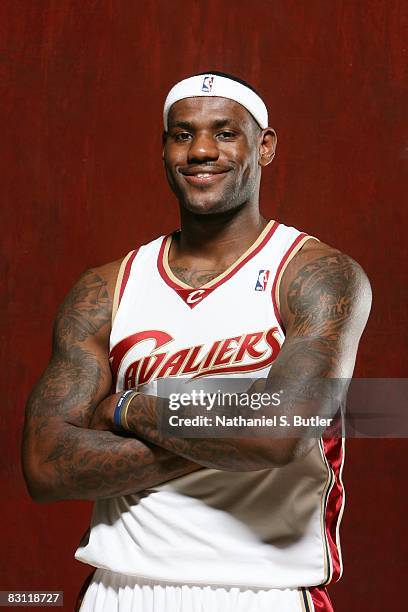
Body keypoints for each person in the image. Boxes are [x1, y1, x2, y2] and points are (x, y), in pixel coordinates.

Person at [22, 71, 372, 611]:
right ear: (163, 151)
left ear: (266, 145)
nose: (202, 150)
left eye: (225, 132)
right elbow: (46, 465)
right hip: (120, 589)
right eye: (182, 135)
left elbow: (279, 436)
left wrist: (130, 408)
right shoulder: (108, 288)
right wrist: (237, 432)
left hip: (262, 592)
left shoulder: (315, 274)